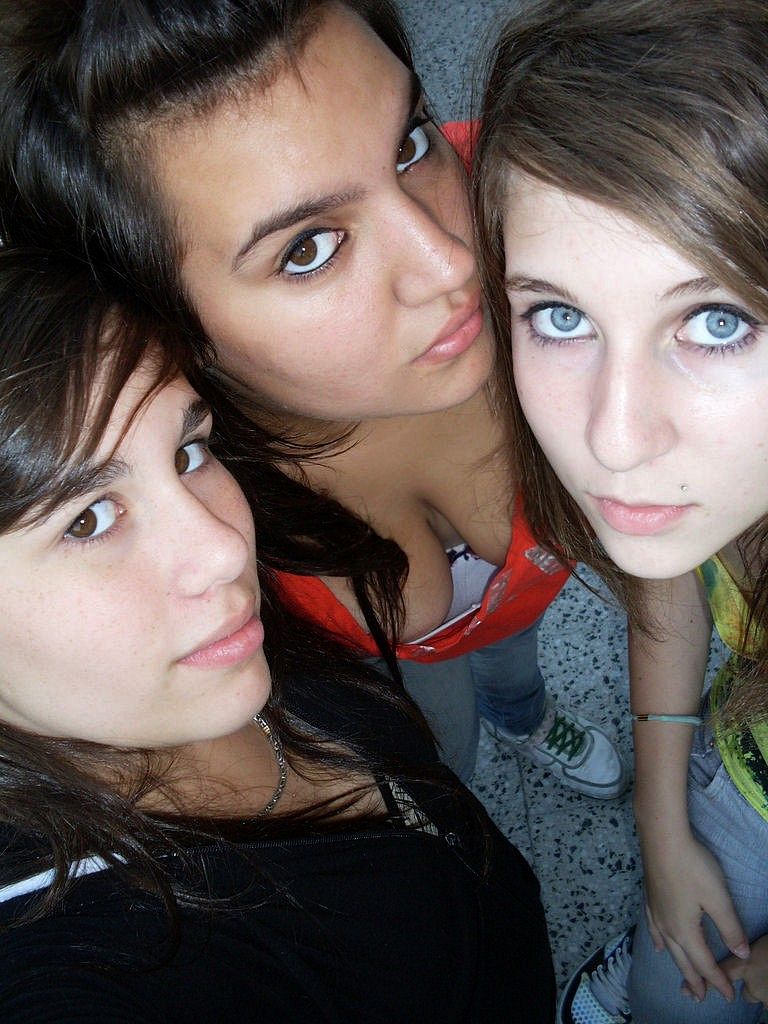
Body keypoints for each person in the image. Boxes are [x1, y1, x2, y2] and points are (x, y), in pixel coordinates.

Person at [0, 0, 627, 797]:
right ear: (164, 321)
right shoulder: (191, 523)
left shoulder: (543, 219)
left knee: (512, 665)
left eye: (408, 145)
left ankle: (525, 713)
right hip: (398, 671)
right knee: (434, 752)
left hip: (526, 614)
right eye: (308, 248)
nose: (452, 261)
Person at [0, 244, 557, 1021]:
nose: (227, 549)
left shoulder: (226, 654)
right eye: (88, 520)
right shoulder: (84, 966)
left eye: (187, 453)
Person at [472, 0, 768, 1019]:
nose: (615, 438)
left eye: (717, 321)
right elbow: (671, 590)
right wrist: (663, 825)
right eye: (560, 316)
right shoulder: (714, 494)